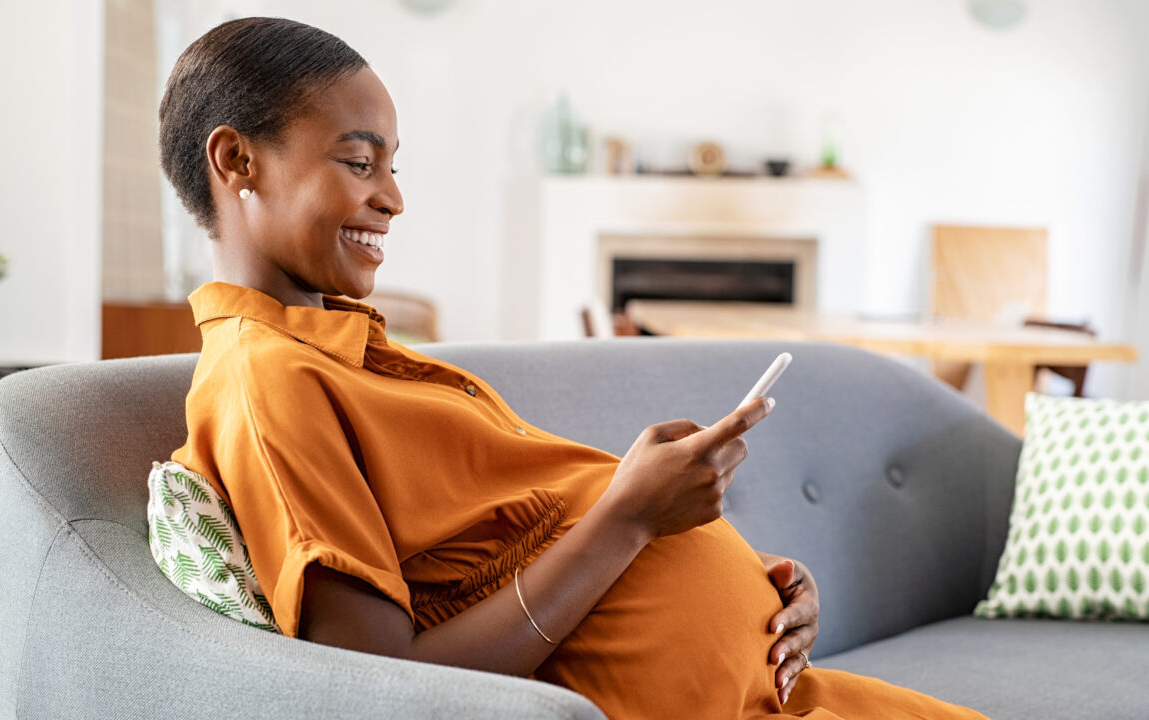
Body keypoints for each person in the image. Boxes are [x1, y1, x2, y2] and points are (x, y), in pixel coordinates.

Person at [162, 17, 989, 720]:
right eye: (358, 161)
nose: (393, 198)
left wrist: (761, 593)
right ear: (237, 161)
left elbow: (511, 544)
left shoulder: (347, 350)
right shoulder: (266, 383)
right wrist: (628, 518)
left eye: (393, 165)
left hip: (780, 690)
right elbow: (386, 688)